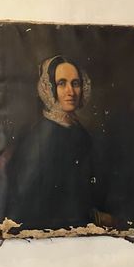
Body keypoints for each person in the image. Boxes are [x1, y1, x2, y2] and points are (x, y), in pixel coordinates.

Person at [5, 55, 98, 231]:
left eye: (75, 83)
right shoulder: (43, 136)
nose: (70, 91)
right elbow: (24, 207)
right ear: (48, 88)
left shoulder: (79, 132)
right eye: (61, 83)